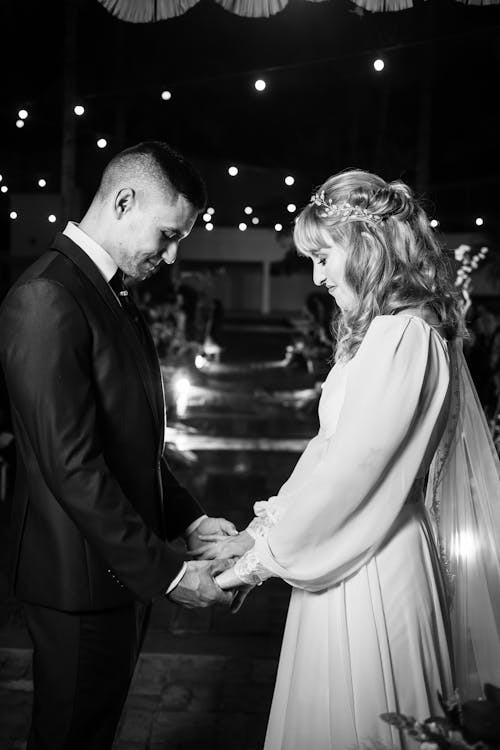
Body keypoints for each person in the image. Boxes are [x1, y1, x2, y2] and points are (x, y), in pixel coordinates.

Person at [194, 170, 500, 749]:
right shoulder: (394, 333)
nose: (316, 275)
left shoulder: (401, 337)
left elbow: (350, 476)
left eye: (323, 255)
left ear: (365, 247)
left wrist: (250, 568)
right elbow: (329, 452)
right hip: (354, 549)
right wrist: (261, 530)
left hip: (371, 564)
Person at [0, 141, 237, 750]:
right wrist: (172, 573)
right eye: (167, 233)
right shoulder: (47, 296)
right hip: (76, 580)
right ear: (123, 201)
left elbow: (134, 444)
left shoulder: (107, 291)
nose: (173, 253)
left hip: (115, 574)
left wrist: (192, 522)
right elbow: (73, 467)